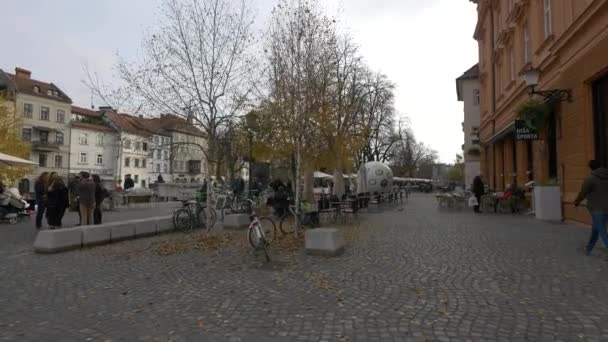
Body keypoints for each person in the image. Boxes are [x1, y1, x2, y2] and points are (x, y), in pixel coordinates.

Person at [574, 160, 608, 256]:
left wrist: (576, 202)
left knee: (602, 231)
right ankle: (589, 248)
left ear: (591, 168)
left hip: (597, 209)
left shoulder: (590, 179)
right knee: (596, 229)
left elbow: (583, 193)